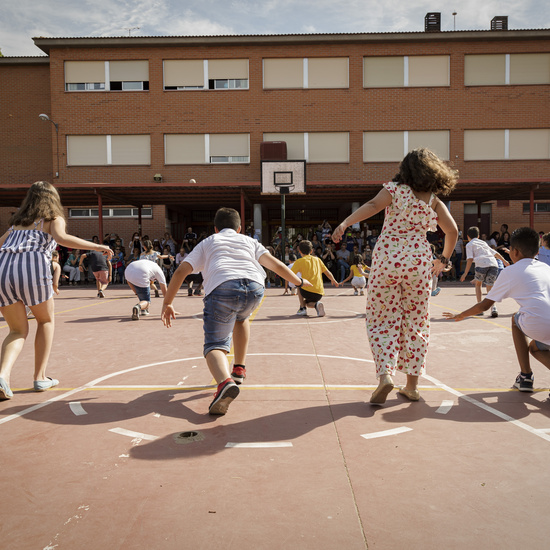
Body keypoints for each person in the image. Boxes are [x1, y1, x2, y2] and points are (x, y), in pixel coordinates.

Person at [333, 148, 459, 404]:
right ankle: (411, 386)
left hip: (388, 259)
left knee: (381, 319)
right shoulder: (433, 200)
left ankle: (385, 375)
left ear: (406, 170)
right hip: (419, 261)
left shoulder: (394, 190)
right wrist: (443, 259)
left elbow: (372, 206)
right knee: (416, 321)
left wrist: (345, 223)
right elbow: (452, 231)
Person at [161, 207, 311, 416]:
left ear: (215, 229)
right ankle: (239, 368)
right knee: (242, 318)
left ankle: (224, 383)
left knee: (214, 345)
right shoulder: (249, 241)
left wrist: (167, 302)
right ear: (239, 228)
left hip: (223, 287)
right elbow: (276, 265)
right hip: (255, 288)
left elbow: (181, 271)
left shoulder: (208, 242)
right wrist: (299, 282)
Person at [0, 181, 112, 400]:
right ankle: (40, 377)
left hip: (3, 269)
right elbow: (62, 239)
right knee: (45, 321)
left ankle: (2, 376)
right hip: (31, 267)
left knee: (16, 330)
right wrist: (98, 246)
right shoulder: (51, 219)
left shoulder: (16, 224)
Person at [444, 227, 550, 394]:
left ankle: (525, 376)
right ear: (537, 251)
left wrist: (462, 315)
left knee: (516, 320)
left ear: (514, 252)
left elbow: (485, 305)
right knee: (536, 348)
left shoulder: (510, 272)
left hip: (540, 325)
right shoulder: (546, 268)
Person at [461, 226, 510, 318]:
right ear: (478, 236)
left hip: (481, 264)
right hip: (493, 264)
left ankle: (480, 308)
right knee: (490, 287)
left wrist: (465, 273)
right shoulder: (483, 243)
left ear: (467, 237)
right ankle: (493, 308)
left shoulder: (469, 244)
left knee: (478, 285)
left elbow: (470, 259)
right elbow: (494, 253)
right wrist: (504, 261)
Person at [292, 240, 340, 317]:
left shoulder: (299, 261)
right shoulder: (318, 260)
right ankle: (316, 304)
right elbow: (327, 272)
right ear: (311, 251)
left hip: (306, 291)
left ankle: (302, 309)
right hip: (319, 292)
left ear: (299, 251)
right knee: (308, 303)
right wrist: (333, 280)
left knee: (299, 284)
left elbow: (290, 274)